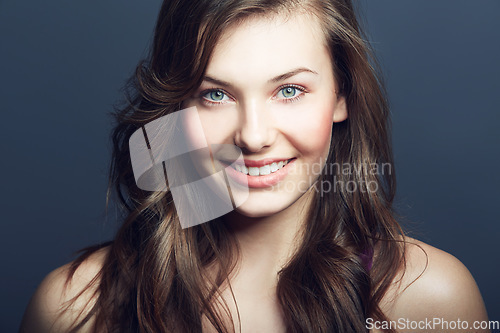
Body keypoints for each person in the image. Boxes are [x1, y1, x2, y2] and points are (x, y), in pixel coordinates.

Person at [20, 0, 489, 332]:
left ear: (341, 95)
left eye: (289, 91)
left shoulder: (429, 299)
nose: (254, 136)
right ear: (176, 108)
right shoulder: (73, 308)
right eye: (216, 95)